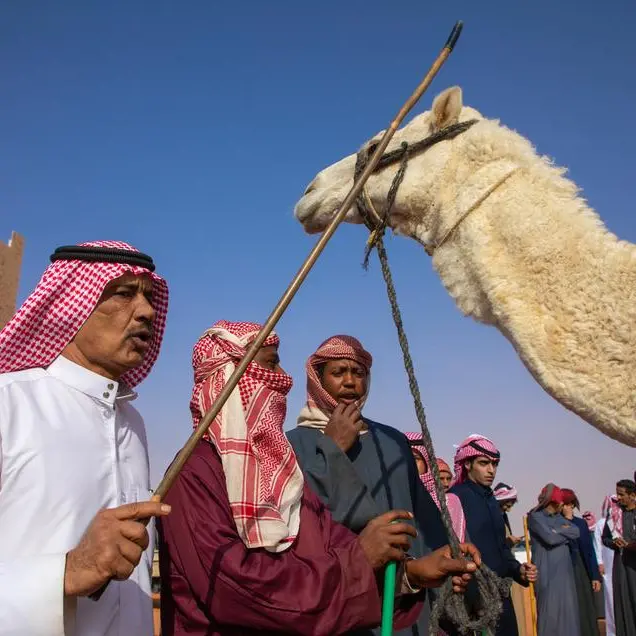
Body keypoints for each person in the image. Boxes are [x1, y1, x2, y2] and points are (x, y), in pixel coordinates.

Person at [158, 322, 480, 636]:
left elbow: (326, 549)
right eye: (271, 365)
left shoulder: (279, 467)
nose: (284, 379)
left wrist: (412, 574)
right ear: (229, 377)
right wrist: (330, 453)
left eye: (358, 373)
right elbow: (237, 590)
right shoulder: (194, 475)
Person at [0, 240, 171, 636]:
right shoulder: (9, 404)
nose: (146, 311)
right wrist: (67, 572)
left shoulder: (133, 424)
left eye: (149, 298)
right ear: (69, 305)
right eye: (124, 294)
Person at [287, 335, 456, 636]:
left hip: (406, 592)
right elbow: (302, 516)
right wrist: (333, 447)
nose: (350, 382)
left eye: (359, 373)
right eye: (338, 372)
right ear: (318, 379)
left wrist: (448, 556)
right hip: (341, 599)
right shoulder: (293, 444)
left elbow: (423, 517)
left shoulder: (393, 442)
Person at [448, 435, 537, 636]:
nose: (491, 470)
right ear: (468, 464)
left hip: (500, 594)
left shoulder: (491, 501)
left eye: (494, 464)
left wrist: (518, 570)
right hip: (472, 597)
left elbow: (502, 549)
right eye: (484, 463)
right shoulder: (455, 498)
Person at [528, 483, 580, 636]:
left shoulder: (558, 518)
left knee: (568, 614)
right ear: (553, 502)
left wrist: (556, 531)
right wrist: (563, 532)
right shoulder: (535, 517)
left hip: (565, 574)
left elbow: (575, 531)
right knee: (549, 614)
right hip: (546, 573)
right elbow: (549, 538)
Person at [405, 432, 465, 542]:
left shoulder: (447, 501)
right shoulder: (394, 498)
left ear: (427, 462)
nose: (408, 464)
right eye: (403, 459)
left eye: (415, 458)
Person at [561, 488, 601, 636]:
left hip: (582, 569)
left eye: (567, 504)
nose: (565, 507)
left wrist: (595, 576)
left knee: (586, 606)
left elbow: (590, 550)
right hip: (566, 570)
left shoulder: (581, 523)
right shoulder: (557, 523)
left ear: (572, 504)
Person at [603, 479, 636, 636]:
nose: (619, 497)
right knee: (623, 603)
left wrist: (630, 545)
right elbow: (605, 538)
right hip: (621, 565)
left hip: (634, 565)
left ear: (632, 495)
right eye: (617, 493)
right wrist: (615, 543)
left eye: (622, 494)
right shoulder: (614, 514)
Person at [594, 496, 618, 636]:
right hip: (607, 566)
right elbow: (597, 544)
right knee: (610, 598)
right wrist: (599, 562)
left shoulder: (621, 521)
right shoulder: (601, 524)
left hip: (621, 564)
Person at [493, 482, 522, 547]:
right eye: (507, 506)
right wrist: (507, 542)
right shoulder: (490, 518)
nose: (509, 510)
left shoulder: (503, 516)